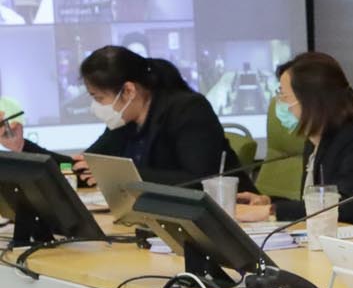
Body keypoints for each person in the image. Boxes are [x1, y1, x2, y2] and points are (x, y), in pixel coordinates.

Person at [3, 44, 236, 188]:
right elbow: (78, 168)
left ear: (128, 91)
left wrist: (122, 176)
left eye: (99, 98)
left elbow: (201, 181)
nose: (96, 107)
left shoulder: (188, 110)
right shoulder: (124, 122)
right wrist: (22, 146)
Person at [232, 52, 353, 230]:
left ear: (311, 101)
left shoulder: (352, 142)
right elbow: (311, 205)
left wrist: (270, 211)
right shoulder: (313, 142)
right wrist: (268, 201)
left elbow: (343, 208)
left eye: (284, 96)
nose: (279, 103)